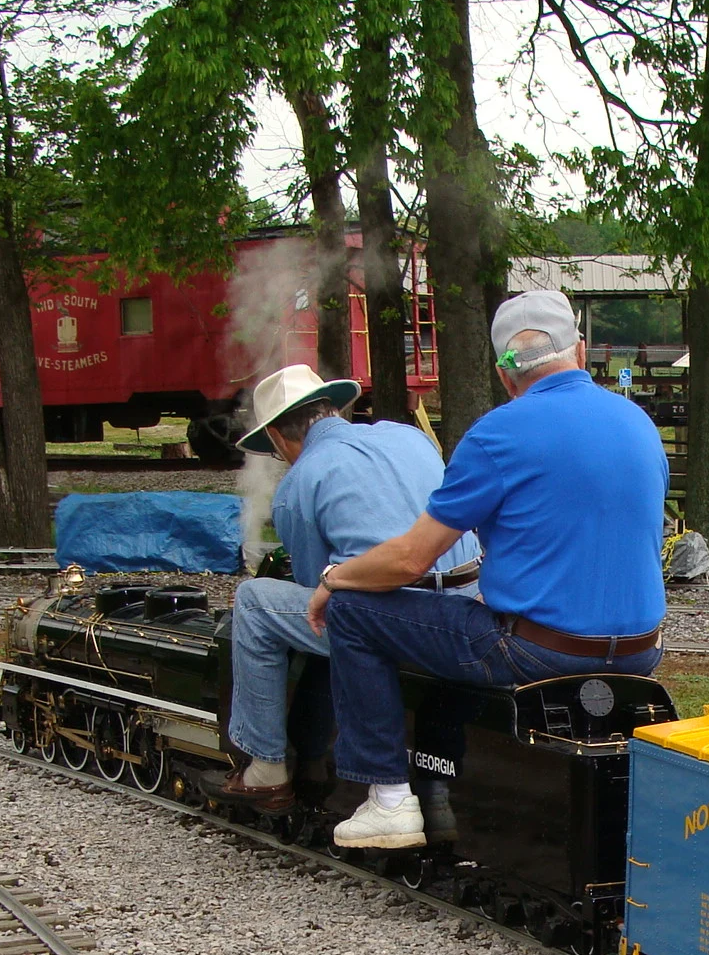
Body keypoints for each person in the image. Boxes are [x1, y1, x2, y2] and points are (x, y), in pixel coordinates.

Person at [309, 290, 667, 851]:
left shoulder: (498, 434)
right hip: (642, 653)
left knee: (354, 610)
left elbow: (411, 559)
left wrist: (334, 578)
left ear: (504, 374)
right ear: (582, 349)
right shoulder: (638, 423)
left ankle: (389, 802)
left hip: (541, 652)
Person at [220, 364, 480, 813]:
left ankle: (266, 766)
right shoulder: (409, 436)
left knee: (253, 602)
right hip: (466, 604)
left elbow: (315, 594)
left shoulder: (299, 482)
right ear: (333, 409)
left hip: (396, 620)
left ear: (280, 439)